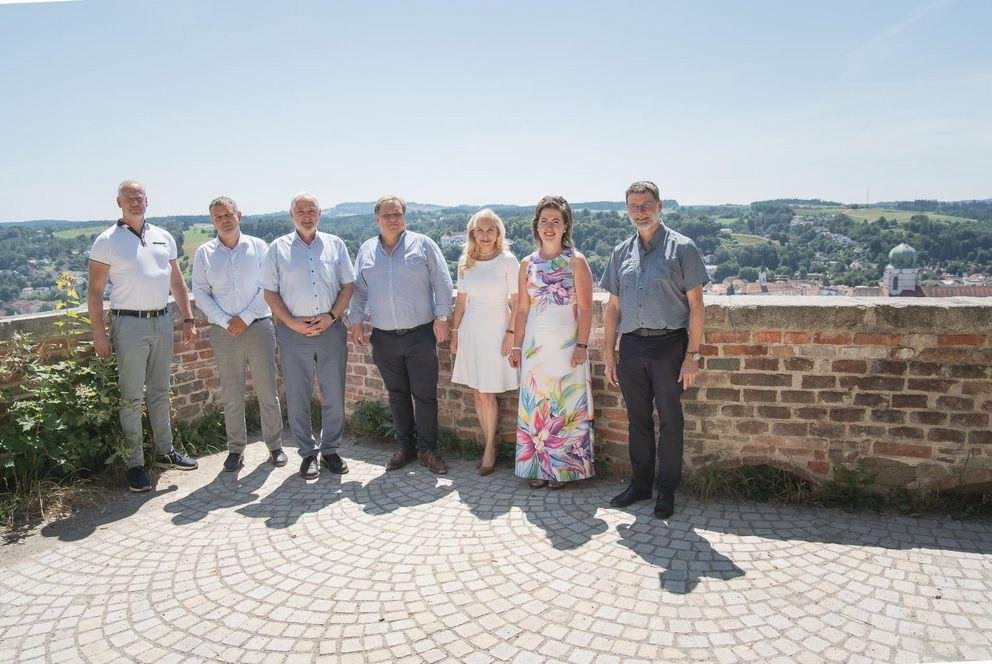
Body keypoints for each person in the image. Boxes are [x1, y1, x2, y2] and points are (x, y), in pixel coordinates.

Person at [601, 180, 708, 519]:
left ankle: (667, 490)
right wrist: (609, 353)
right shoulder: (621, 253)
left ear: (659, 206)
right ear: (627, 210)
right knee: (638, 420)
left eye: (646, 204)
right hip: (631, 345)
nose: (640, 211)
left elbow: (697, 307)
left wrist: (692, 356)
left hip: (668, 345)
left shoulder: (683, 248)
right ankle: (640, 484)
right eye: (634, 206)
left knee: (671, 420)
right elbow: (613, 308)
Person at [87, 180, 198, 492]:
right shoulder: (107, 241)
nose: (135, 202)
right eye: (129, 197)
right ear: (118, 202)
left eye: (140, 197)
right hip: (129, 325)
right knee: (132, 396)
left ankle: (165, 452)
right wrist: (99, 334)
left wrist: (188, 317)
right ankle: (135, 464)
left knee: (161, 391)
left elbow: (177, 282)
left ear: (147, 201)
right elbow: (95, 292)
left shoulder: (162, 237)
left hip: (162, 320)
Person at [348, 195, 453, 475]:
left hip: (420, 334)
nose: (393, 219)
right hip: (383, 337)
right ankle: (406, 447)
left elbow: (442, 282)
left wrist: (442, 318)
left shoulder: (423, 245)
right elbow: (359, 290)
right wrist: (355, 322)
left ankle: (428, 450)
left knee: (425, 396)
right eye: (387, 215)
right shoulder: (367, 251)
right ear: (377, 219)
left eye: (397, 214)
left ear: (404, 217)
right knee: (397, 395)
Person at [260, 192, 354, 480]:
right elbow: (269, 293)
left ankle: (331, 451)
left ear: (319, 213)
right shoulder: (277, 249)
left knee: (334, 393)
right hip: (293, 333)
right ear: (291, 216)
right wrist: (291, 323)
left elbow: (347, 286)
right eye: (300, 211)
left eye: (311, 210)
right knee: (298, 395)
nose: (306, 215)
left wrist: (332, 316)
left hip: (330, 328)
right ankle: (308, 454)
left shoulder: (335, 245)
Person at [191, 196, 286, 472]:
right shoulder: (204, 253)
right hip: (223, 332)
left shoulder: (258, 247)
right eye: (218, 217)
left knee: (267, 390)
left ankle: (275, 446)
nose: (224, 220)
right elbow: (201, 293)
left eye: (228, 214)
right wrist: (224, 320)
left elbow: (268, 287)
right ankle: (235, 449)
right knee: (231, 393)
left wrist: (244, 318)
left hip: (258, 326)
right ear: (212, 221)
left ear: (239, 215)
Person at [508, 195, 594, 489]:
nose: (549, 226)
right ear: (536, 226)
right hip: (535, 347)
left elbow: (585, 308)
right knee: (536, 404)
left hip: (567, 346)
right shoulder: (526, 263)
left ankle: (562, 470)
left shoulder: (576, 261)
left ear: (565, 225)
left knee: (564, 405)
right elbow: (521, 309)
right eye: (544, 221)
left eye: (555, 221)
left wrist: (581, 345)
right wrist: (517, 345)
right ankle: (538, 468)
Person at [449, 209, 520, 475]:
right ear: (473, 233)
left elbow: (518, 302)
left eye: (491, 230)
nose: (486, 235)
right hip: (471, 331)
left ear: (499, 233)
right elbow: (461, 302)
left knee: (488, 392)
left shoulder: (508, 261)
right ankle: (489, 444)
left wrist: (511, 335)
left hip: (497, 330)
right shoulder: (466, 261)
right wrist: (455, 333)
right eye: (480, 230)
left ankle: (491, 447)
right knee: (478, 392)